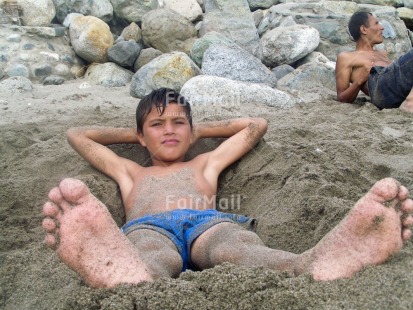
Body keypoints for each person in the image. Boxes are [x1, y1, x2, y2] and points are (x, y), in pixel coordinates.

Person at [42, 88, 413, 288]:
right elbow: (78, 135)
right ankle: (132, 277)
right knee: (151, 254)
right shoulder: (129, 172)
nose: (169, 129)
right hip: (148, 226)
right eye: (158, 124)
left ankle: (306, 264)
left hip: (209, 222)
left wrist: (198, 129)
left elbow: (256, 124)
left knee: (235, 246)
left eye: (178, 123)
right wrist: (137, 135)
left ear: (192, 130)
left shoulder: (206, 162)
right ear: (140, 135)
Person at [335, 11, 413, 112]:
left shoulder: (382, 53)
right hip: (380, 90)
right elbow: (341, 98)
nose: (382, 27)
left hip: (398, 90)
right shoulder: (347, 57)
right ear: (363, 29)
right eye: (376, 23)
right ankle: (410, 103)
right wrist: (359, 81)